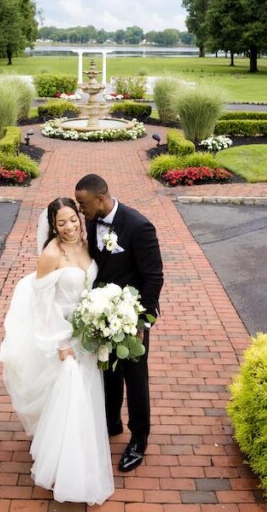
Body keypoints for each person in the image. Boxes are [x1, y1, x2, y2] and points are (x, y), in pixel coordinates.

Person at [0, 197, 114, 505]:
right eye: (61, 223)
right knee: (71, 396)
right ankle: (66, 468)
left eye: (73, 220)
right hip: (62, 336)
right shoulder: (51, 254)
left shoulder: (87, 244)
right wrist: (61, 344)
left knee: (88, 394)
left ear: (79, 217)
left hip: (87, 333)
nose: (69, 227)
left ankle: (84, 451)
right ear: (53, 225)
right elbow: (42, 305)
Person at [74, 174, 164, 473]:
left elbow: (153, 277)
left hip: (130, 317)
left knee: (135, 378)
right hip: (101, 314)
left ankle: (139, 438)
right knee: (107, 370)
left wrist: (141, 320)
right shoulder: (90, 221)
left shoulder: (139, 226)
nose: (80, 209)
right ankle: (111, 422)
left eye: (83, 204)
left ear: (100, 199)